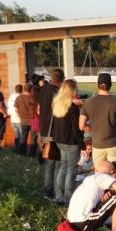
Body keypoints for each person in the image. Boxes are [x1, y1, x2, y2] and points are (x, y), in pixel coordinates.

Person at [65, 160, 116, 231]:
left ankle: (101, 228)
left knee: (110, 198)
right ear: (112, 172)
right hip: (84, 221)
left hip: (72, 221)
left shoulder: (89, 179)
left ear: (96, 170)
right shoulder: (104, 177)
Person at [79, 73, 116, 165]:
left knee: (99, 175)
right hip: (114, 144)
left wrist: (94, 129)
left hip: (98, 144)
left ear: (97, 84)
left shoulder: (88, 102)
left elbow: (81, 125)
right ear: (110, 85)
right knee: (114, 174)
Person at [51, 80, 83, 205]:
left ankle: (59, 195)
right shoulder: (72, 107)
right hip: (71, 141)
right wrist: (82, 143)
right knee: (71, 169)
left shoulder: (57, 103)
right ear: (72, 90)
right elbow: (76, 129)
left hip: (60, 140)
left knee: (63, 167)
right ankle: (68, 196)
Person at [38, 68, 65, 199]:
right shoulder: (58, 92)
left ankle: (47, 189)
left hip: (44, 130)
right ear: (62, 80)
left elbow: (39, 109)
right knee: (58, 163)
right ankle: (55, 191)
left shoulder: (43, 90)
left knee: (49, 163)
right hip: (55, 131)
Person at [14, 84, 36, 155]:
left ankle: (22, 153)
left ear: (24, 89)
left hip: (23, 120)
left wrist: (20, 116)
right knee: (33, 138)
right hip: (33, 120)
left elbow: (16, 109)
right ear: (31, 90)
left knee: (23, 137)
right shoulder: (33, 98)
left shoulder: (19, 98)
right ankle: (32, 154)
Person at [8, 84, 22, 152]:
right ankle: (21, 150)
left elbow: (8, 106)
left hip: (12, 118)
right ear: (21, 90)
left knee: (16, 135)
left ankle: (16, 148)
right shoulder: (21, 97)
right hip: (20, 119)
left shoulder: (11, 97)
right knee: (22, 135)